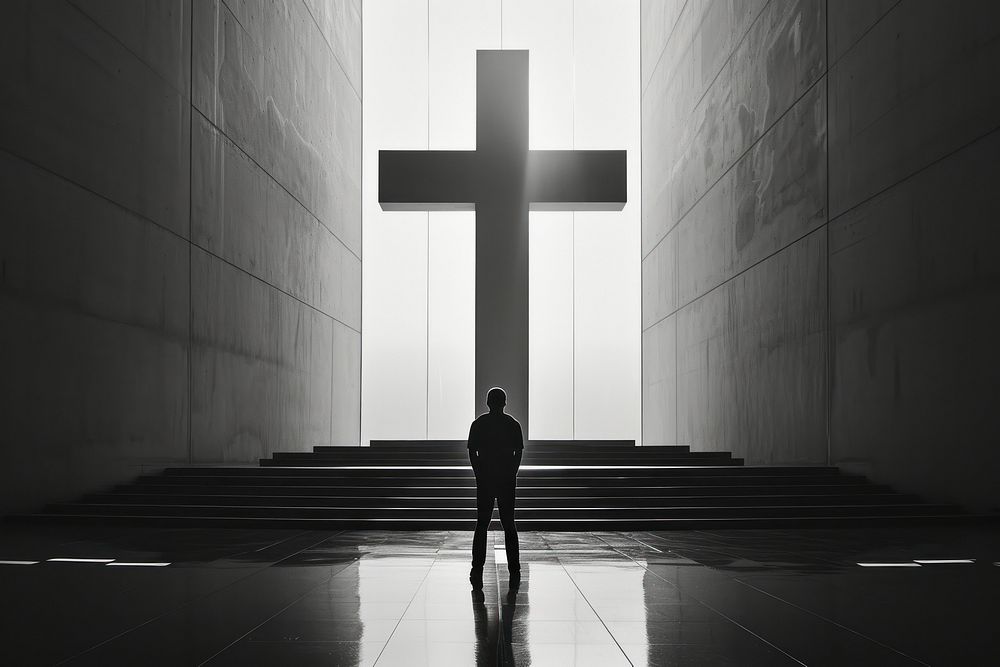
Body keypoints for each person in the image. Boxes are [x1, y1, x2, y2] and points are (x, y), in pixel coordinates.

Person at [468, 387, 523, 589]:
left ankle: (477, 566)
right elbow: (518, 453)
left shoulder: (479, 424)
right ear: (505, 402)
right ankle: (514, 567)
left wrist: (479, 474)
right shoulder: (513, 424)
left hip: (486, 479)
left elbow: (473, 452)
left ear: (488, 402)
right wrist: (512, 473)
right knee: (509, 524)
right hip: (506, 479)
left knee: (482, 524)